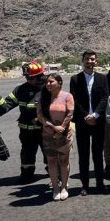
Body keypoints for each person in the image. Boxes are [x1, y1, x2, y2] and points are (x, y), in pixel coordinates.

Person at [70, 50, 109, 195]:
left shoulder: (102, 78)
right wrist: (86, 116)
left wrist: (96, 115)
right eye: (87, 59)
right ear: (83, 61)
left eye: (92, 59)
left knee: (98, 154)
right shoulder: (75, 79)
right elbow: (74, 100)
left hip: (98, 122)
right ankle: (85, 185)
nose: (89, 62)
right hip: (82, 122)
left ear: (96, 61)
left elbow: (105, 98)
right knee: (83, 155)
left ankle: (100, 183)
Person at [4, 61, 46, 183]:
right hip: (26, 130)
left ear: (40, 76)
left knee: (49, 153)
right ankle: (27, 174)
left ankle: (54, 174)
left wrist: (41, 119)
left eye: (31, 78)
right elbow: (6, 105)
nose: (28, 80)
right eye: (27, 77)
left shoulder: (47, 89)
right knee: (27, 153)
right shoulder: (20, 89)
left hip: (44, 130)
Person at [36, 73, 75, 201]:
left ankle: (64, 187)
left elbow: (69, 114)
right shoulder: (43, 98)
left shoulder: (67, 96)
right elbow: (40, 116)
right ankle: (55, 188)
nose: (48, 84)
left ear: (59, 83)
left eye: (51, 82)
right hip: (48, 135)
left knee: (64, 161)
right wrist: (53, 127)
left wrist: (61, 128)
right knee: (51, 161)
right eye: (47, 82)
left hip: (64, 134)